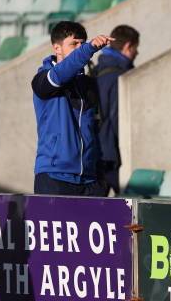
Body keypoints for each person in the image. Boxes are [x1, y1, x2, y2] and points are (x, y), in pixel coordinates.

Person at [31, 21, 113, 196]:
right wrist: (88, 48)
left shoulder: (88, 84)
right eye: (74, 43)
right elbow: (63, 72)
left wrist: (100, 175)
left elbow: (94, 129)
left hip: (90, 181)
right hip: (55, 177)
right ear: (57, 48)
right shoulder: (43, 79)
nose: (79, 47)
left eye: (82, 43)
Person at [95, 25, 140, 194]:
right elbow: (117, 120)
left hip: (98, 149)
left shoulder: (100, 69)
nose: (137, 53)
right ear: (128, 46)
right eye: (136, 47)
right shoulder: (118, 76)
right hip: (110, 153)